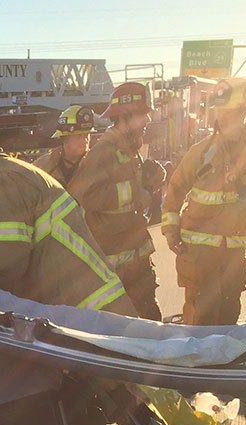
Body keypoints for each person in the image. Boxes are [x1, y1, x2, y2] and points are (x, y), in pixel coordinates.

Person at [0, 121, 135, 314]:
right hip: (90, 306)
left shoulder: (1, 183)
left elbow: (6, 266)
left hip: (92, 311)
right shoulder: (3, 172)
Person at [161, 78, 246, 325]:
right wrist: (171, 231)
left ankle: (222, 348)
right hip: (198, 249)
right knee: (200, 311)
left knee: (229, 307)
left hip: (234, 249)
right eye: (218, 110)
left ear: (243, 111)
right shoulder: (202, 152)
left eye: (227, 110)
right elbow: (175, 188)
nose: (220, 116)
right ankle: (196, 349)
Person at [68, 82, 166, 320]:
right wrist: (138, 190)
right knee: (123, 327)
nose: (147, 120)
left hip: (136, 261)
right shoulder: (103, 152)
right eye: (142, 114)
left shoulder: (129, 150)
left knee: (149, 322)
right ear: (124, 116)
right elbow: (86, 195)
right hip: (115, 267)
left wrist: (148, 184)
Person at [33, 105, 95, 187]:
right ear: (65, 138)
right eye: (79, 136)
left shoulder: (96, 166)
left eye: (87, 135)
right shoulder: (42, 166)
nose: (85, 140)